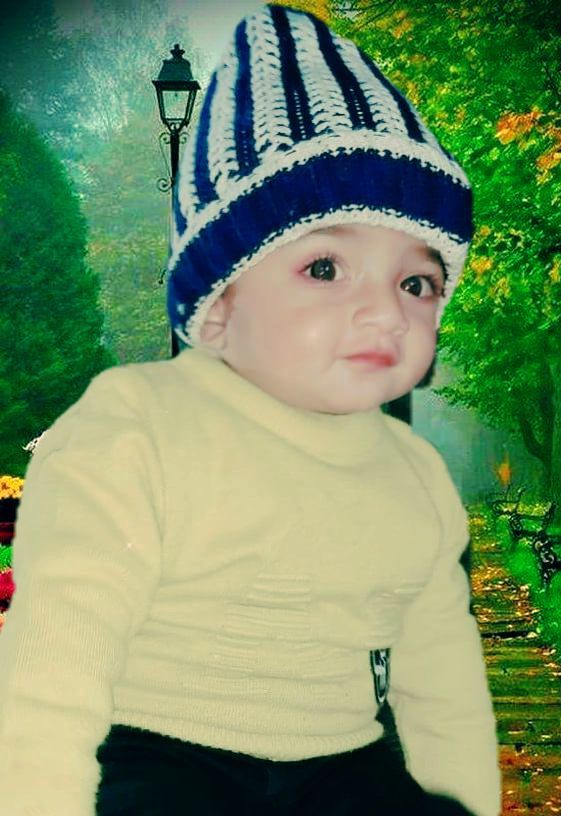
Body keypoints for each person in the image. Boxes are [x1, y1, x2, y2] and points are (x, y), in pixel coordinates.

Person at [0, 4, 501, 815]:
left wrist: (466, 803)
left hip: (338, 759)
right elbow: (60, 650)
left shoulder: (413, 473)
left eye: (416, 282)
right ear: (218, 308)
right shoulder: (138, 426)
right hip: (163, 751)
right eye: (326, 268)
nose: (385, 312)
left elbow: (440, 675)